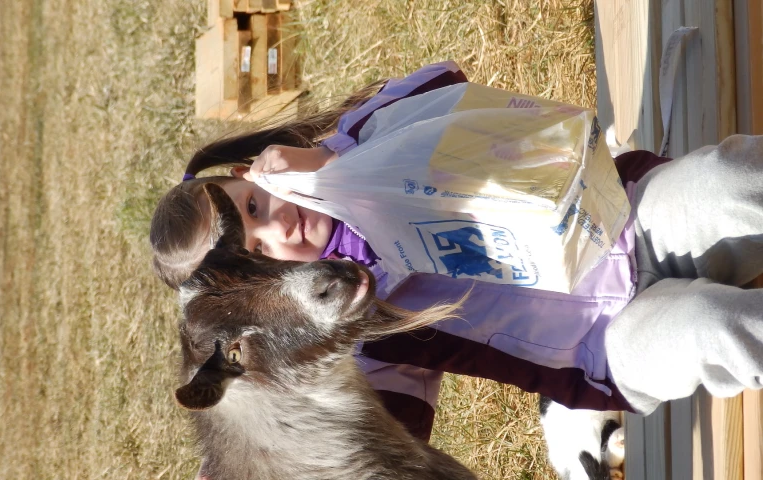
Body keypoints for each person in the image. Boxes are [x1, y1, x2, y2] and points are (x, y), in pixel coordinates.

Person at [151, 61, 763, 442]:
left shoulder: (359, 145)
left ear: (253, 168)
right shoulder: (363, 330)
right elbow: (394, 429)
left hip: (618, 213)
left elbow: (446, 86)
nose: (278, 226)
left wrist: (344, 159)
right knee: (709, 326)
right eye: (262, 251)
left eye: (254, 205)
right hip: (603, 344)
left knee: (726, 184)